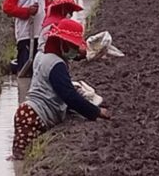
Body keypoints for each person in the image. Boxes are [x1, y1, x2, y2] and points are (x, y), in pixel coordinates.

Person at [10, 19, 111, 160]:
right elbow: (69, 96)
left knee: (20, 157)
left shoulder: (42, 55)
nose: (74, 50)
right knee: (23, 158)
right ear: (61, 43)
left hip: (27, 112)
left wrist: (84, 55)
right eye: (72, 46)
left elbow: (69, 57)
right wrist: (96, 112)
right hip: (35, 116)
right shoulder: (56, 65)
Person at [2, 0, 50, 75]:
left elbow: (47, 5)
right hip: (26, 33)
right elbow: (7, 7)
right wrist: (27, 11)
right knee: (25, 69)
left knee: (39, 69)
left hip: (41, 31)